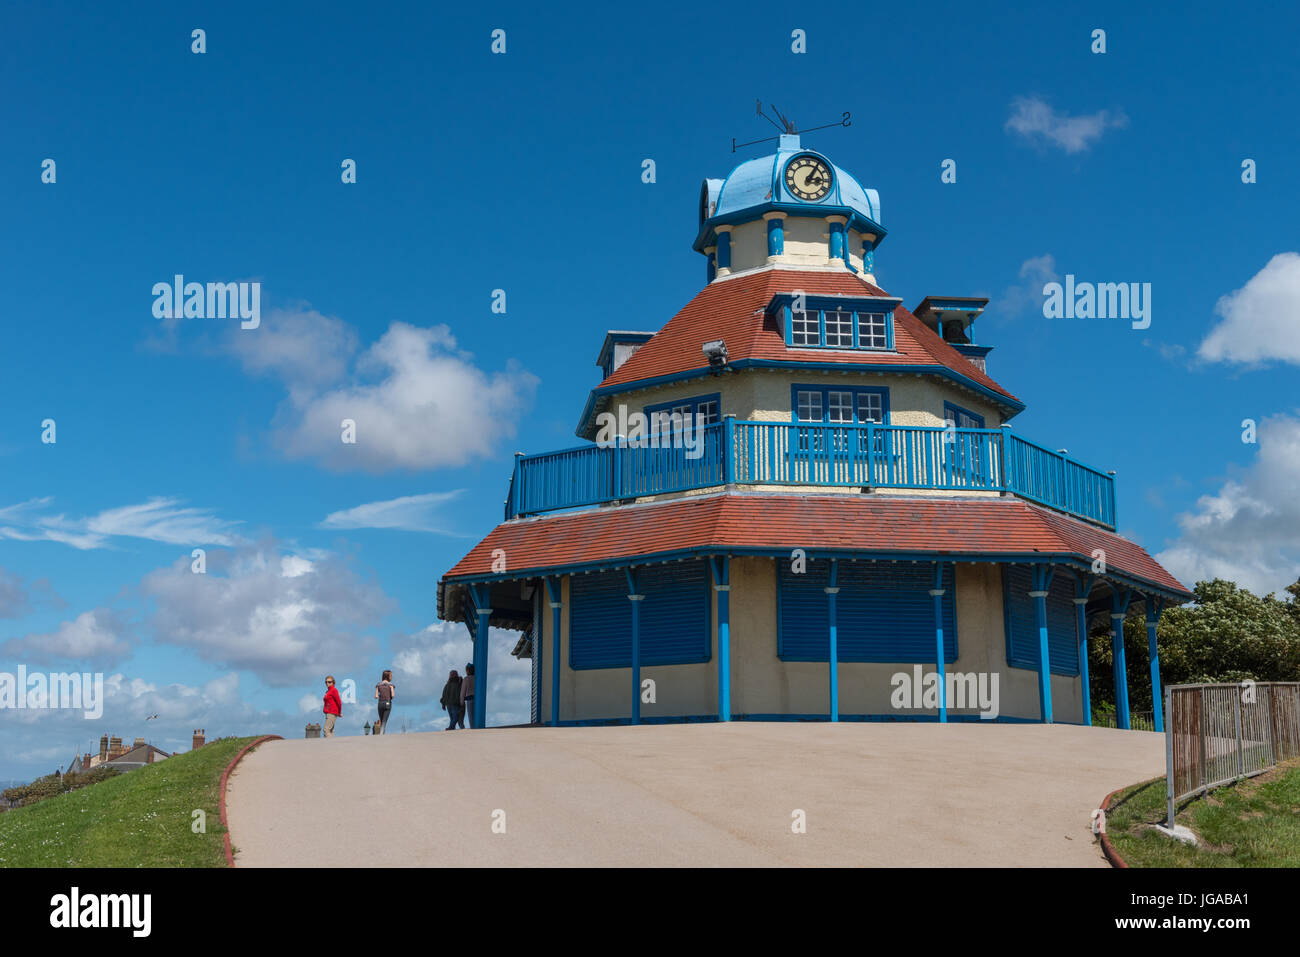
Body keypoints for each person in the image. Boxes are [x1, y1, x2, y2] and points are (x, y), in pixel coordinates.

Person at [374, 670, 396, 734]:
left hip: (380, 703)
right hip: (387, 703)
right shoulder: (391, 685)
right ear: (388, 676)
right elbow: (393, 695)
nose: (391, 677)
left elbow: (376, 696)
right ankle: (381, 734)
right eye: (391, 676)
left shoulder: (378, 685)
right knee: (384, 721)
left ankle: (383, 734)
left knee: (381, 720)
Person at [460, 662, 476, 729]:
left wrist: (461, 701)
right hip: (478, 699)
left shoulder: (466, 679)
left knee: (471, 717)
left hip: (469, 699)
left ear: (467, 670)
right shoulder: (476, 677)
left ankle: (473, 729)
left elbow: (463, 691)